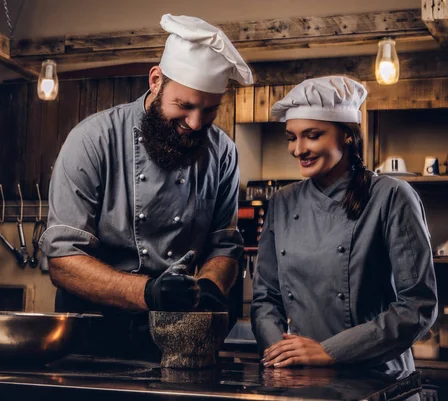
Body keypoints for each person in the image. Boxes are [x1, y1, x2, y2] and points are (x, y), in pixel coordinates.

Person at [39, 14, 253, 358]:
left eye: (209, 111)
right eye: (184, 106)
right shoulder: (93, 139)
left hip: (175, 338)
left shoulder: (223, 152)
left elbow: (224, 245)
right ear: (156, 80)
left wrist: (211, 285)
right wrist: (149, 292)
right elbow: (63, 260)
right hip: (92, 339)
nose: (196, 123)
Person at [251, 76, 438, 371]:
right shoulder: (282, 202)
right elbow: (266, 298)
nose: (298, 150)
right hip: (304, 379)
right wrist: (281, 353)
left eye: (312, 135)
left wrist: (330, 351)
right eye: (291, 137)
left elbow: (417, 305)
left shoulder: (390, 196)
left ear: (347, 135)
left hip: (377, 378)